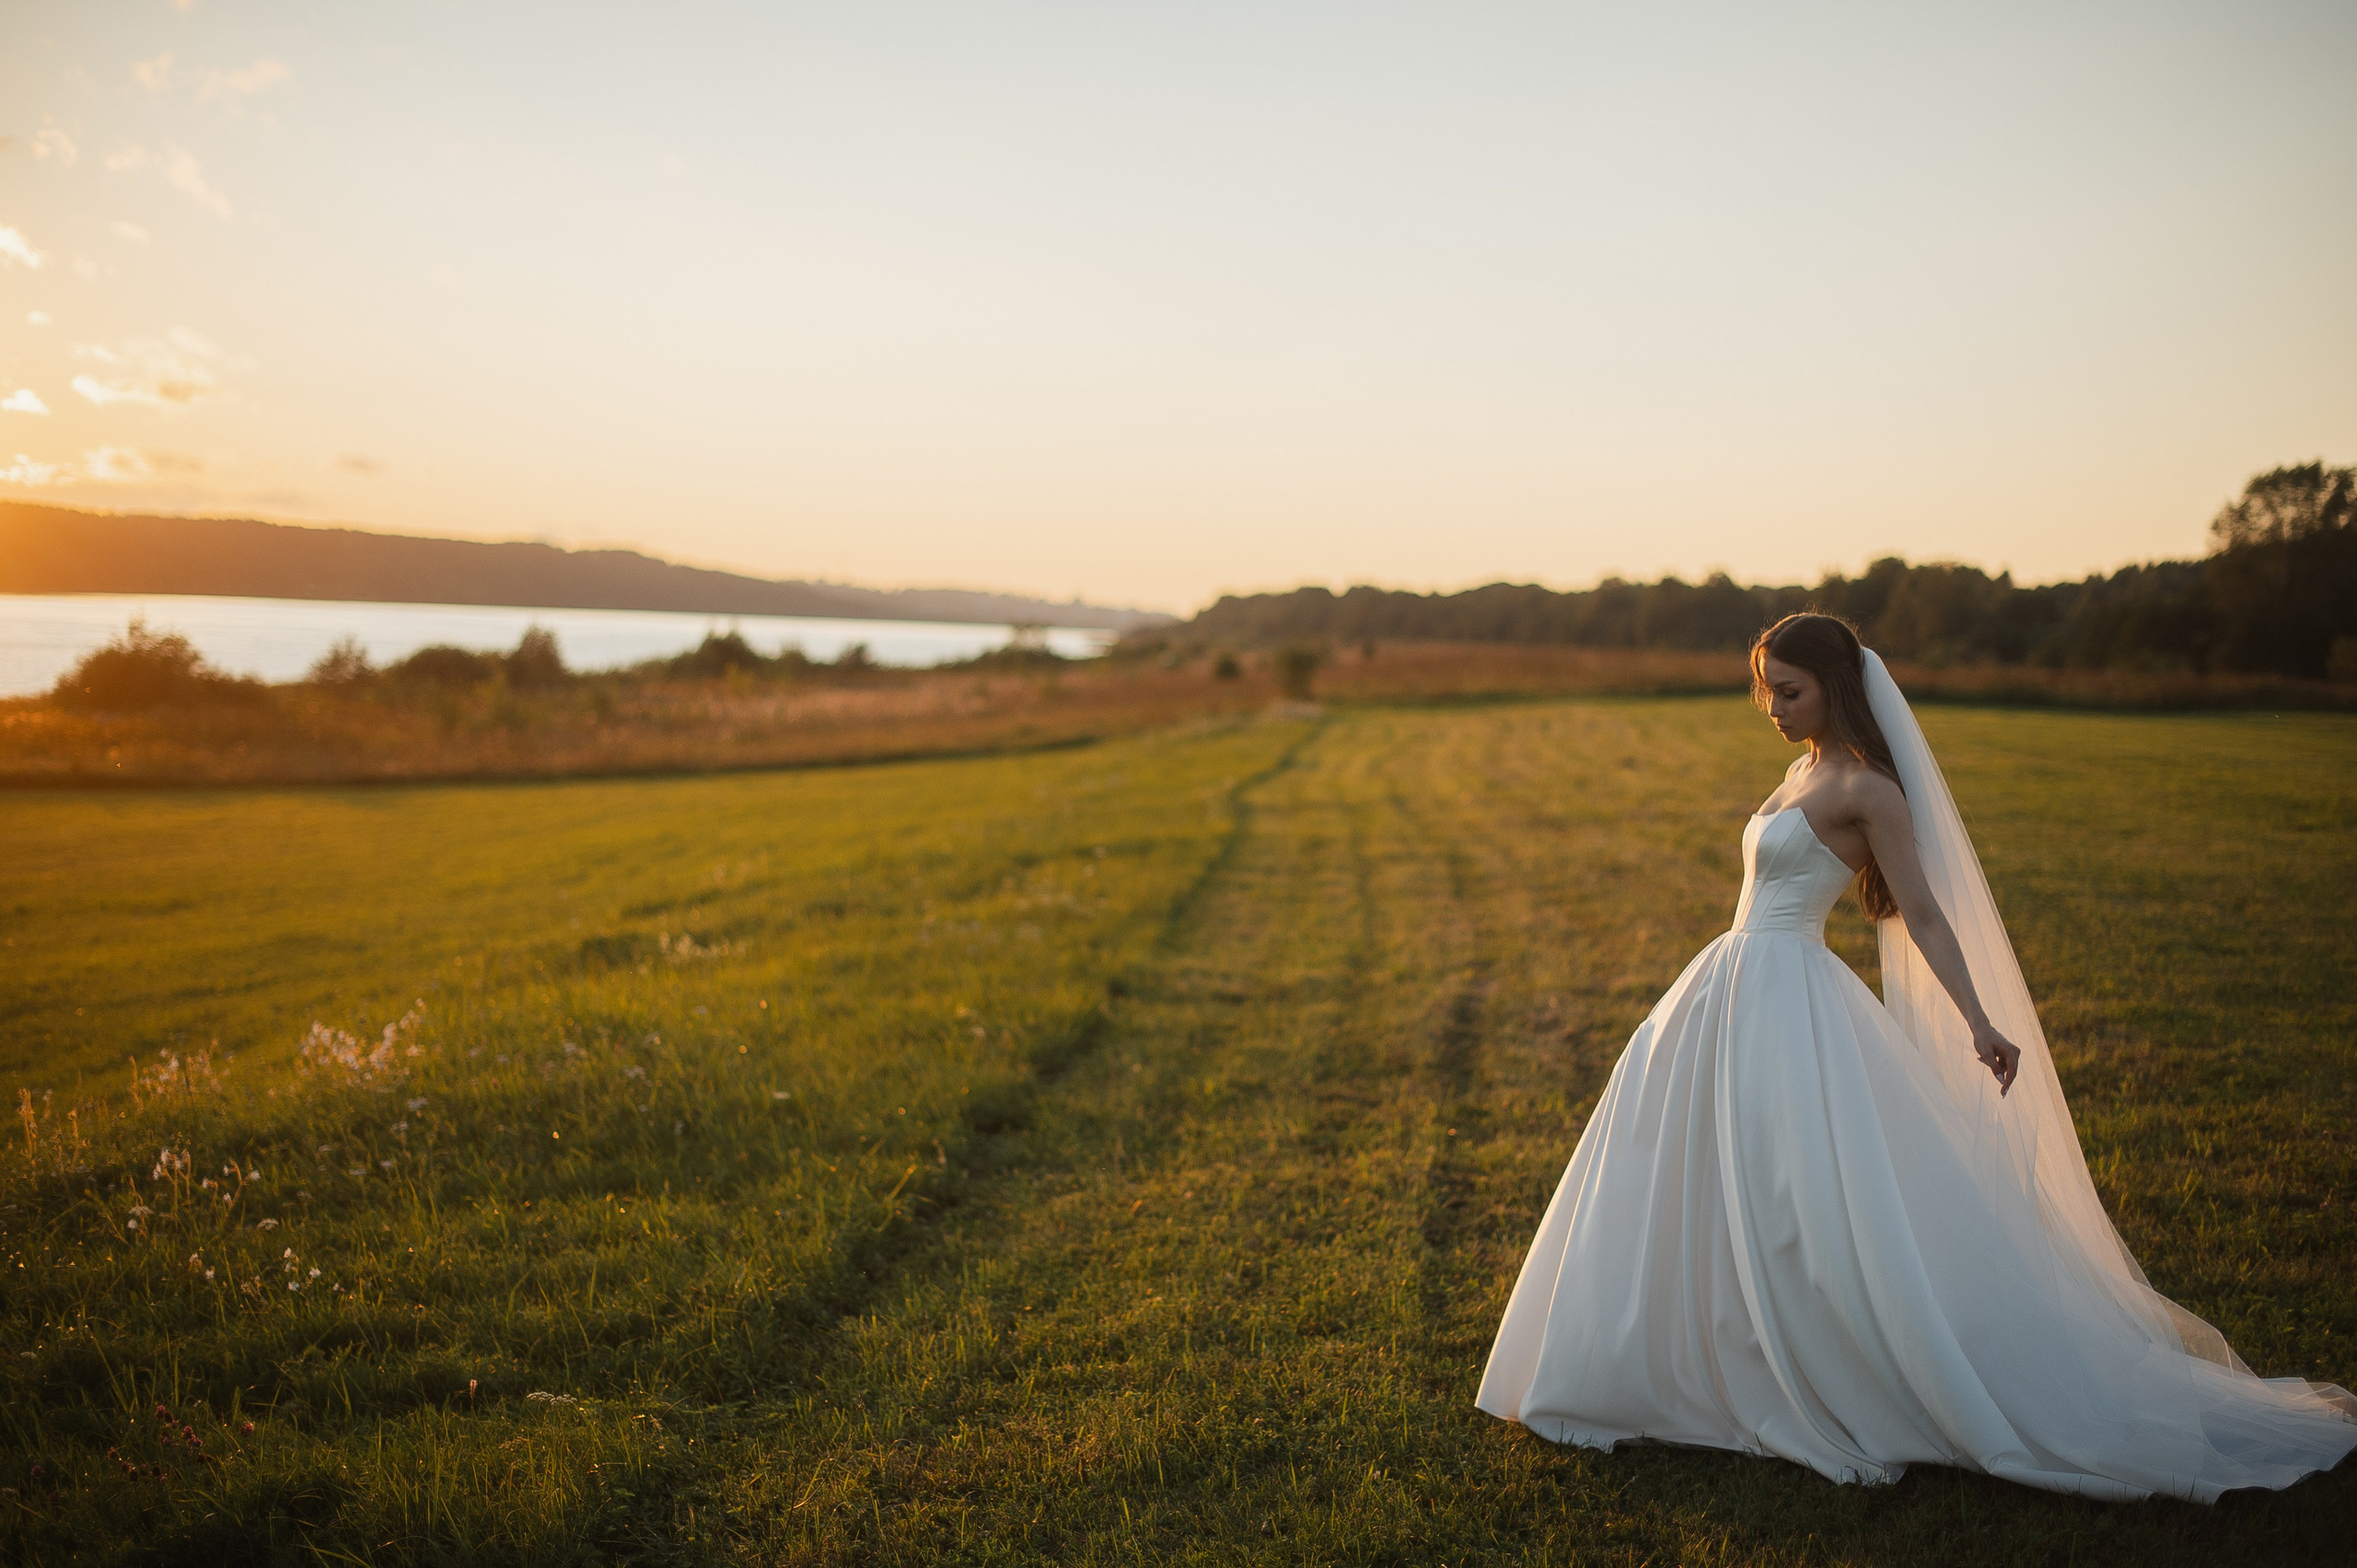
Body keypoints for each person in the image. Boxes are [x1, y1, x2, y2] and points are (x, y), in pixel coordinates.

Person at [1475, 612, 2356, 1501]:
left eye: (1790, 691)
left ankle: (1814, 1353)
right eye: (1766, 691)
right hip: (1726, 986)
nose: (1774, 708)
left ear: (1836, 686)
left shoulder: (1869, 790)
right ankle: (1691, 1345)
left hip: (1788, 994)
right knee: (1694, 1164)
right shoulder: (1801, 770)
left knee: (1795, 1187)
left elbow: (1923, 911)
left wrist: (1978, 1019)